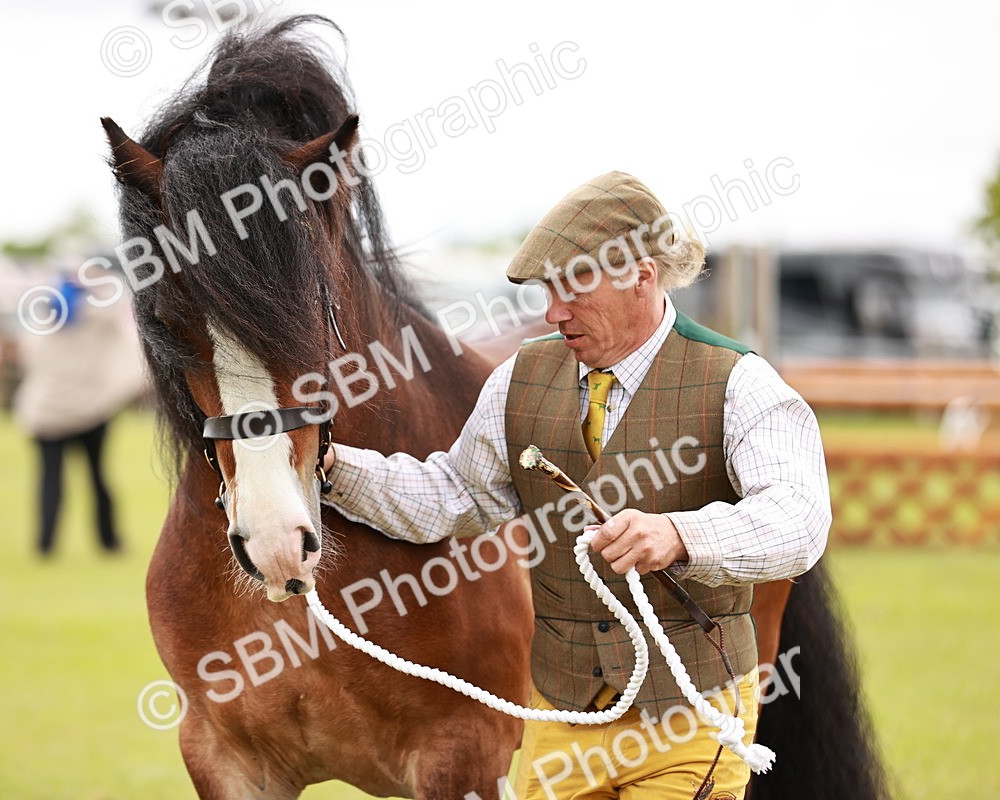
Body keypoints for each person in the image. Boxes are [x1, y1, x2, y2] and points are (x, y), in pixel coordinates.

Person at [320, 172, 831, 799]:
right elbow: (456, 495)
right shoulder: (517, 380)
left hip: (693, 716)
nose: (553, 312)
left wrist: (680, 534)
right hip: (562, 718)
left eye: (574, 288)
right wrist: (329, 467)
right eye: (547, 290)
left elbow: (799, 518)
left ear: (641, 275)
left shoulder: (741, 382)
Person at [14, 271, 145, 557]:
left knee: (50, 479)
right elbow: (118, 303)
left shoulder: (41, 323)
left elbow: (26, 354)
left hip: (47, 412)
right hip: (90, 410)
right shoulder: (95, 320)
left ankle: (45, 544)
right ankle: (108, 541)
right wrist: (92, 282)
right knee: (97, 476)